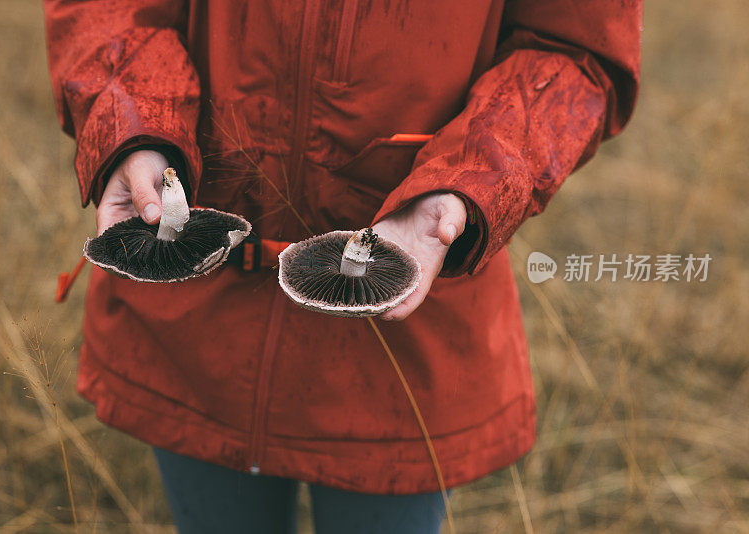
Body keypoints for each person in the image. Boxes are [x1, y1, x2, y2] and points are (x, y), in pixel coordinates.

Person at [43, 1, 641, 532]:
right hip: (196, 320)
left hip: (405, 338)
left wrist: (466, 183)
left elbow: (576, 49)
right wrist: (135, 123)